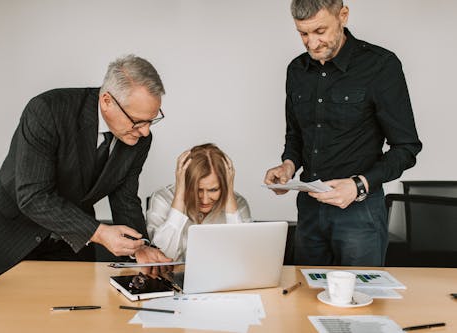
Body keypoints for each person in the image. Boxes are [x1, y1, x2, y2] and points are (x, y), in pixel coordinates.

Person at [0, 54, 170, 282]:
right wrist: (99, 232)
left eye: (152, 120)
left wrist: (140, 248)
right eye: (138, 121)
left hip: (71, 246)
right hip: (12, 237)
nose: (145, 131)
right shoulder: (47, 110)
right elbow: (33, 196)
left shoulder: (139, 139)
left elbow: (125, 200)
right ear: (107, 101)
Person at [264, 0, 422, 266]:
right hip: (310, 210)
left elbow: (406, 148)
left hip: (360, 212)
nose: (312, 44)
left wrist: (359, 185)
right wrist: (288, 165)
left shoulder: (381, 66)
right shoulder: (296, 70)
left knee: (359, 299)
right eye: (303, 34)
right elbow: (296, 134)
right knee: (304, 298)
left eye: (320, 31)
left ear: (343, 16)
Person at [146, 143, 252, 261]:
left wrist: (229, 197)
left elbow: (244, 259)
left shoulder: (237, 203)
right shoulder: (163, 199)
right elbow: (162, 259)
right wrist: (180, 198)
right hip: (174, 279)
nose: (205, 199)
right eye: (198, 190)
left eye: (213, 190)